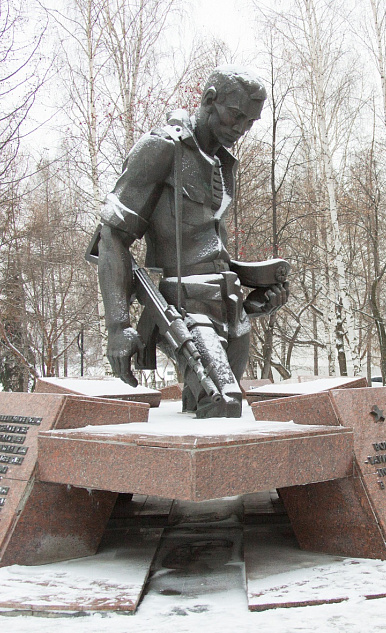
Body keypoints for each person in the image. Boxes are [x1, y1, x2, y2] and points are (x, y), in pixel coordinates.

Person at [95, 66, 289, 418]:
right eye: (236, 116)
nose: (241, 129)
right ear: (208, 100)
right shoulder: (161, 149)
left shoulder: (222, 162)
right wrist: (118, 326)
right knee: (223, 403)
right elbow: (112, 236)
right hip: (184, 308)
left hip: (230, 309)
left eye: (250, 122)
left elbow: (212, 246)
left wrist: (255, 299)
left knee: (213, 410)